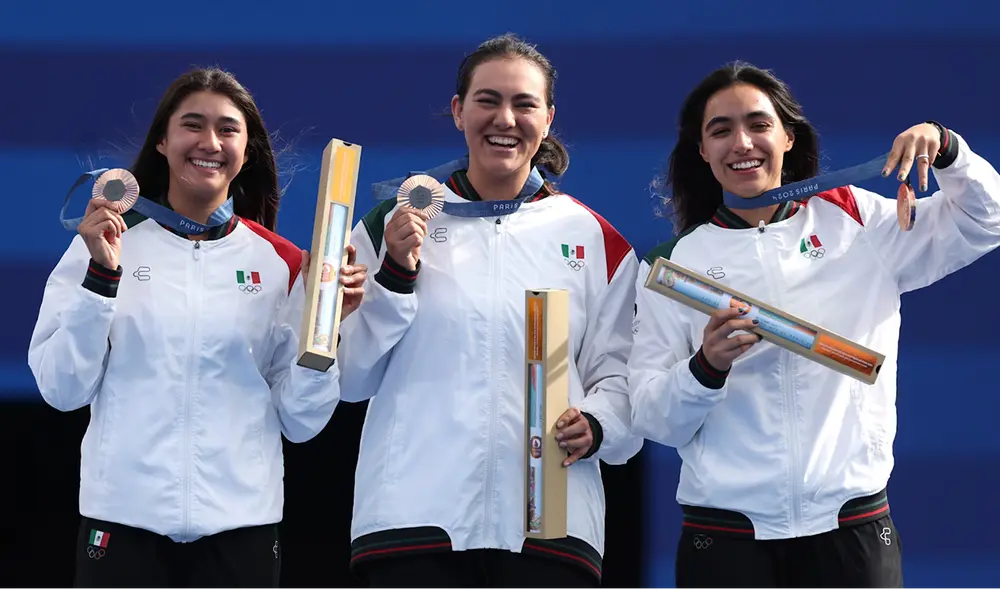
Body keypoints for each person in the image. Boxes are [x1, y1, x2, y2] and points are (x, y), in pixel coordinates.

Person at [627, 60, 1000, 590]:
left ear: (787, 136)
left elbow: (988, 220)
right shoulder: (672, 265)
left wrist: (948, 149)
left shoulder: (857, 222)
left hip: (851, 525)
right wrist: (704, 368)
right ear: (702, 151)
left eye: (758, 124)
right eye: (721, 130)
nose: (742, 143)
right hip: (726, 538)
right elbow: (652, 418)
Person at [28, 67, 367, 590]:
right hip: (122, 524)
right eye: (192, 125)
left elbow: (301, 421)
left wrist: (326, 333)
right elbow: (61, 390)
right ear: (162, 141)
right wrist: (101, 278)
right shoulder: (105, 244)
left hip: (242, 531)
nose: (210, 142)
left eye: (228, 129)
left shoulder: (283, 264)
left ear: (247, 151)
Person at [337, 33, 644, 589]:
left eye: (524, 103)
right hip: (412, 518)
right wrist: (396, 275)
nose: (505, 117)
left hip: (551, 526)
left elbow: (622, 376)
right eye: (487, 100)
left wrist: (598, 423)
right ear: (458, 111)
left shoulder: (595, 238)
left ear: (548, 118)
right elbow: (351, 376)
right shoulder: (395, 221)